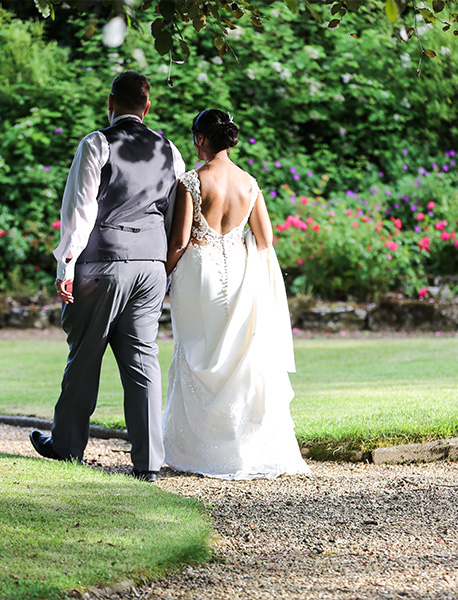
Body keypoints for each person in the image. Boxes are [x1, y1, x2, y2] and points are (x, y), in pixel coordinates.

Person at [30, 71, 185, 483]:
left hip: (104, 261)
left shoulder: (96, 143)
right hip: (151, 265)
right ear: (147, 107)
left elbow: (79, 212)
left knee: (85, 355)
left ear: (110, 102)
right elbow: (175, 215)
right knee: (142, 360)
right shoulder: (170, 151)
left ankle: (66, 446)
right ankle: (149, 463)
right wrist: (163, 266)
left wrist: (66, 265)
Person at [162, 109, 310, 480]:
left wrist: (160, 275)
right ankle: (244, 447)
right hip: (240, 274)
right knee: (241, 357)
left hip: (198, 274)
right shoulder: (249, 183)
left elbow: (179, 240)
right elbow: (265, 239)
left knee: (196, 352)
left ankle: (198, 451)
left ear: (201, 138)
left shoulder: (191, 182)